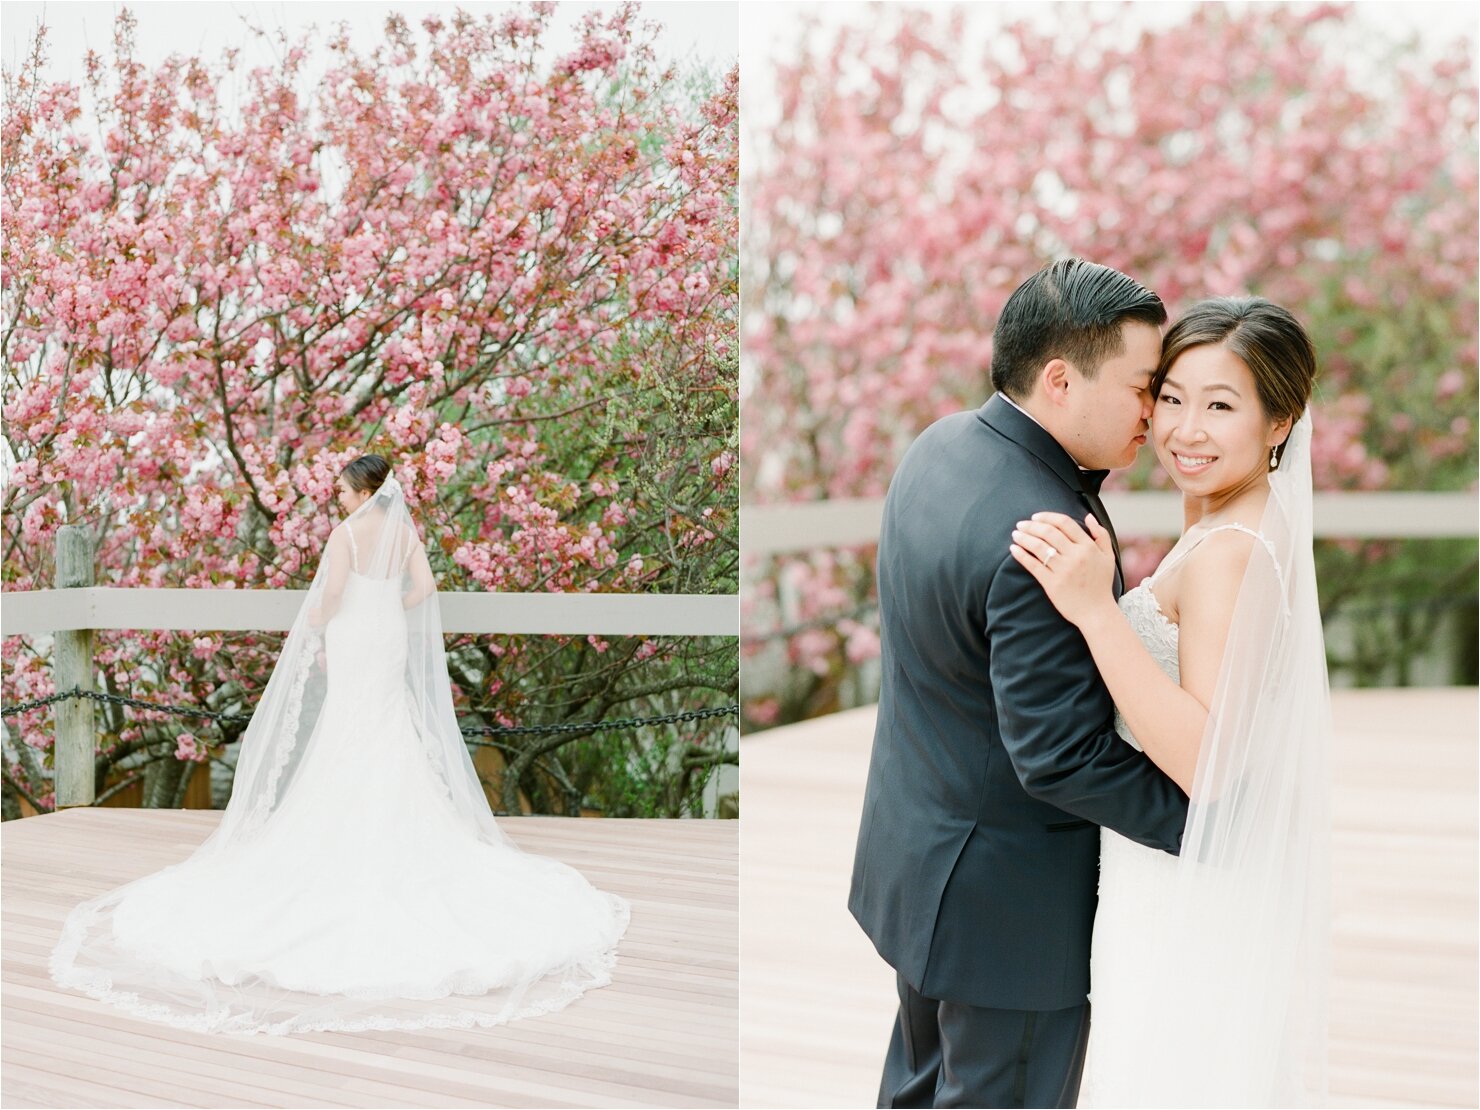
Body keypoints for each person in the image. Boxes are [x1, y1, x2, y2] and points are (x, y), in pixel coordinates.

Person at [51, 455, 631, 1035]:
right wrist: (386, 605)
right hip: (388, 636)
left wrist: (327, 620)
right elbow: (425, 588)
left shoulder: (345, 536)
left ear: (365, 489)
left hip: (356, 636)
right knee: (387, 723)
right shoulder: (404, 532)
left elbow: (327, 599)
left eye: (343, 489)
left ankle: (344, 822)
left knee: (350, 724)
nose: (337, 498)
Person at [848, 259, 1190, 1108]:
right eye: (1144, 387)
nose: (1156, 413)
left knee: (918, 1092)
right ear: (1061, 379)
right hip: (1009, 916)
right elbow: (1060, 757)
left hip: (918, 865)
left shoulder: (939, 445)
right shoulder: (1045, 531)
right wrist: (1209, 825)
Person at [1010, 297, 1330, 1106]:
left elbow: (1203, 759)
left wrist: (1091, 610)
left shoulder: (1230, 552)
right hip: (1179, 872)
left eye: (1221, 406)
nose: (1184, 429)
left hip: (1183, 891)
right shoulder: (1234, 520)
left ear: (1280, 422)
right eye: (1172, 397)